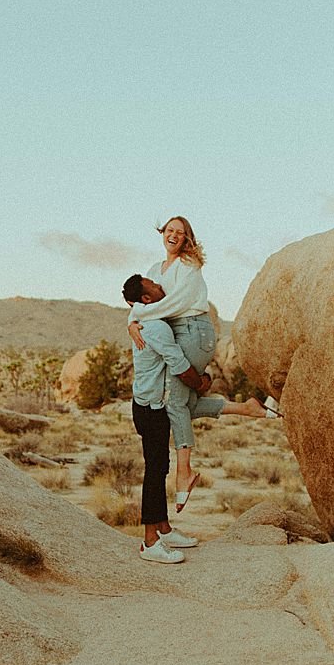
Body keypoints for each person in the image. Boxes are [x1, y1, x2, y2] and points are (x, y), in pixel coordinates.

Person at [125, 216, 276, 513]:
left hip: (194, 330)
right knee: (186, 405)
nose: (174, 235)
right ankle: (246, 408)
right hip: (178, 332)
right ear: (162, 234)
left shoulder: (189, 267)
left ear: (187, 239)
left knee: (175, 404)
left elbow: (176, 304)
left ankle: (184, 474)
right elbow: (139, 303)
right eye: (170, 230)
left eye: (180, 233)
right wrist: (133, 319)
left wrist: (138, 318)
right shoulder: (155, 270)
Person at [123, 275, 278, 564]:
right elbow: (179, 366)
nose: (158, 284)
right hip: (150, 409)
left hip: (155, 405)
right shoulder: (155, 327)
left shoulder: (148, 318)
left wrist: (130, 323)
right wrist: (202, 382)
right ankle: (149, 542)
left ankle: (165, 530)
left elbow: (135, 316)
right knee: (155, 474)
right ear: (146, 299)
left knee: (163, 463)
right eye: (152, 284)